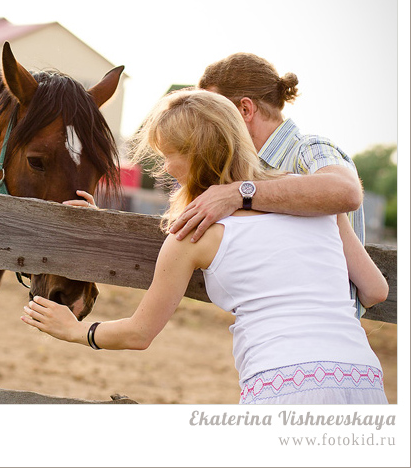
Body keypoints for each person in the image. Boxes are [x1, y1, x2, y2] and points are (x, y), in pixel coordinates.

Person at [25, 88, 388, 404]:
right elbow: (375, 290)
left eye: (168, 155)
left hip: (282, 381)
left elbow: (139, 333)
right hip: (362, 376)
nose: (166, 168)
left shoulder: (191, 238)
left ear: (197, 154)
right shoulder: (311, 200)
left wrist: (75, 331)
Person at [171, 53, 367, 318]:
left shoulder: (308, 148)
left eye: (213, 111)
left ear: (245, 110)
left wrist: (240, 194)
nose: (203, 123)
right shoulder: (249, 169)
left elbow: (346, 191)